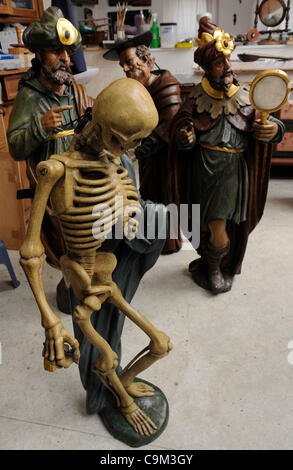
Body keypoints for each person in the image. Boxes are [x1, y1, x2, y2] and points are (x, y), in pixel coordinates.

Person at [169, 16, 285, 294]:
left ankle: (214, 272)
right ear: (208, 69)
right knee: (204, 225)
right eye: (221, 63)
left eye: (228, 61)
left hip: (230, 172)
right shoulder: (196, 98)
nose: (228, 68)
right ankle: (209, 261)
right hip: (201, 170)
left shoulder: (245, 96)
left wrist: (273, 131)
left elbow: (268, 122)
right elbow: (180, 133)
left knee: (219, 224)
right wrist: (185, 139)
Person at [7, 6, 94, 304]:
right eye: (58, 52)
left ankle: (85, 283)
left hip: (84, 177)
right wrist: (39, 127)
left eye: (68, 53)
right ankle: (70, 288)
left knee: (90, 235)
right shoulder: (29, 96)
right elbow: (16, 148)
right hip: (54, 187)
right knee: (66, 243)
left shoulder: (73, 89)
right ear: (40, 55)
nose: (67, 61)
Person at [103, 31, 182, 254]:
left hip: (166, 159)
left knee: (165, 197)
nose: (126, 69)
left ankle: (168, 243)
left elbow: (167, 129)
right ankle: (152, 238)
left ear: (147, 61)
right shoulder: (139, 89)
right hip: (150, 159)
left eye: (129, 62)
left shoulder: (167, 87)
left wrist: (136, 151)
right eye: (122, 66)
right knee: (147, 194)